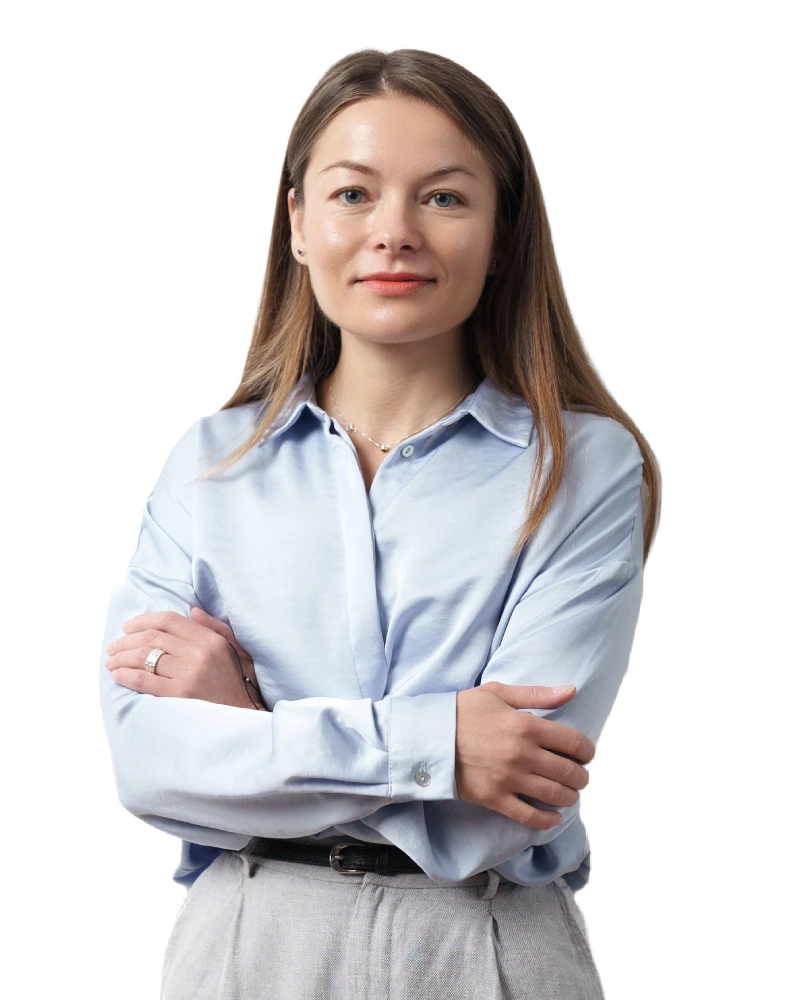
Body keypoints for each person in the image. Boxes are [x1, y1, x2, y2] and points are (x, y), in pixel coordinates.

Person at [98, 46, 662, 1000]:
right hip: (244, 949)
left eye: (443, 197)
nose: (394, 233)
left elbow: (504, 807)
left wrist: (249, 732)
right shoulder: (208, 463)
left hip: (482, 946)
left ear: (502, 231)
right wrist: (439, 745)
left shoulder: (586, 467)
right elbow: (148, 767)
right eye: (354, 194)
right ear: (298, 224)